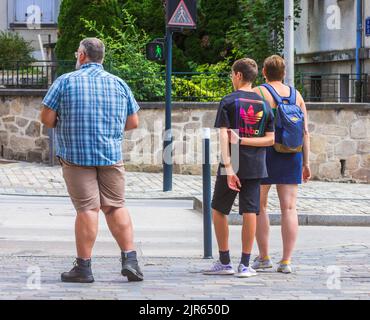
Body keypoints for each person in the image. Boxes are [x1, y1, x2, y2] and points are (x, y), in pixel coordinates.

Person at [40, 38, 143, 283]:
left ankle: (84, 268)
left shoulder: (64, 81)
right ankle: (131, 261)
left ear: (83, 56)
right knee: (116, 206)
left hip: (76, 157)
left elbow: (46, 118)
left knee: (88, 208)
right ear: (102, 57)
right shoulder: (119, 83)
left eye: (78, 53)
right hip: (110, 156)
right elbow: (133, 122)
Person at [203, 58, 275, 278]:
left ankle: (225, 261)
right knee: (250, 211)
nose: (232, 78)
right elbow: (270, 140)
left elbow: (224, 137)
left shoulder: (228, 101)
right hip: (255, 164)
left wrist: (229, 167)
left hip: (232, 161)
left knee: (218, 209)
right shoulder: (265, 105)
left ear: (238, 75)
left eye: (232, 74)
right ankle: (245, 264)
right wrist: (245, 140)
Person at [252, 55, 311, 274]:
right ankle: (286, 261)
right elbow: (305, 131)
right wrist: (307, 162)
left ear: (264, 72)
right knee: (289, 207)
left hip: (264, 152)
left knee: (260, 206)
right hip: (292, 153)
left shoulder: (259, 92)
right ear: (284, 73)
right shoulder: (297, 96)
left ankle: (264, 256)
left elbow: (250, 123)